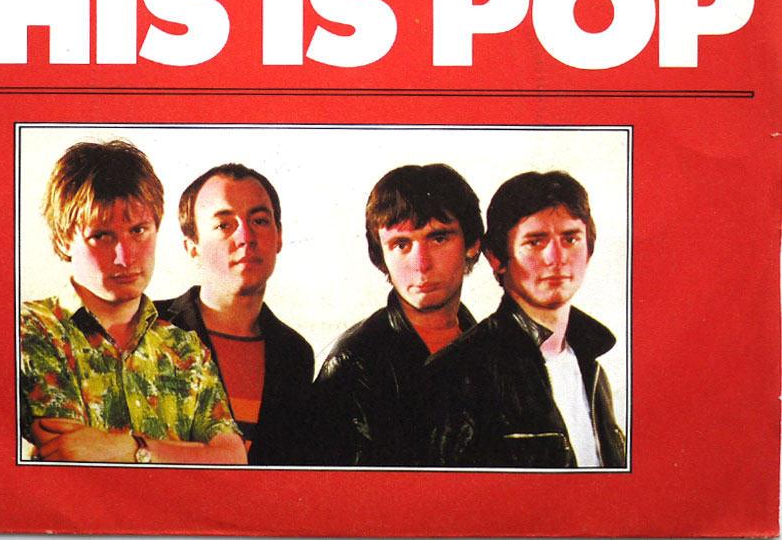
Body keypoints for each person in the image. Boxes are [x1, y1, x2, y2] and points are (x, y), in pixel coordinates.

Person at [20, 140, 246, 464]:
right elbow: (70, 454)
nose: (125, 257)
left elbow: (233, 458)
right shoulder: (31, 330)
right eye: (102, 236)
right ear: (63, 239)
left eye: (138, 230)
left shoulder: (185, 349)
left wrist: (133, 449)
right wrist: (191, 454)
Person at [427, 170, 626, 468]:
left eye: (570, 238)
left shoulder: (594, 369)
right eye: (535, 242)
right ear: (496, 257)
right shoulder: (457, 374)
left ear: (589, 251)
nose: (556, 257)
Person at [310, 163, 483, 466]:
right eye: (401, 244)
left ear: (472, 244)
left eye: (438, 238)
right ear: (381, 256)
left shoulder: (493, 349)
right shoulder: (355, 362)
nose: (421, 263)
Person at [156, 164, 314, 464]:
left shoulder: (295, 354)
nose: (246, 236)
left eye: (260, 221)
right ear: (192, 246)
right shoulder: (146, 326)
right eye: (224, 225)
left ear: (279, 237)